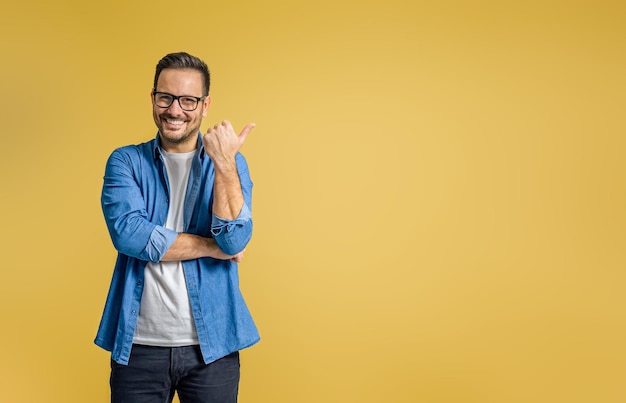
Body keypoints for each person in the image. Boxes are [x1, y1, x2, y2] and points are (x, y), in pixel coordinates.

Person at [94, 52, 260, 403]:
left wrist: (225, 163)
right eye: (166, 97)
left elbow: (236, 237)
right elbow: (129, 234)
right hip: (139, 347)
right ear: (153, 98)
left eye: (188, 100)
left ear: (205, 105)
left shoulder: (229, 163)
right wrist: (212, 247)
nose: (174, 110)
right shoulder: (126, 161)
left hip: (211, 347)